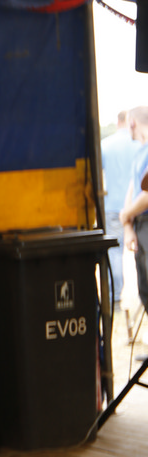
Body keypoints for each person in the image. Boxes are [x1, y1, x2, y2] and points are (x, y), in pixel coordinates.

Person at [101, 109, 139, 304]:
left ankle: (114, 296)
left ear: (118, 122)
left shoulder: (105, 145)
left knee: (115, 252)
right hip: (138, 207)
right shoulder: (139, 145)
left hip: (113, 207)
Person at [120, 106, 148, 315]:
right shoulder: (139, 152)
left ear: (132, 123)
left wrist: (126, 215)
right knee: (143, 287)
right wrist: (127, 224)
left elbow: (146, 196)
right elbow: (132, 189)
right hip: (139, 223)